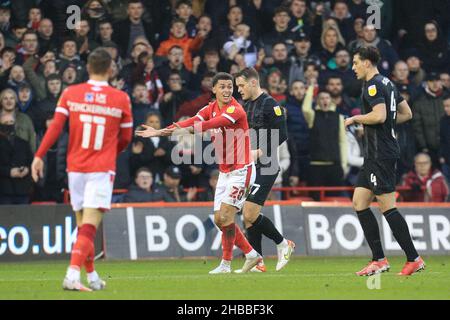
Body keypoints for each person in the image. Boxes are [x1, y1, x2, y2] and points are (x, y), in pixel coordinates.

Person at [136, 72, 261, 274]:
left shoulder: (235, 110)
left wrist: (190, 128)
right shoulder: (209, 108)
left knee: (227, 216)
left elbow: (212, 124)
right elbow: (190, 121)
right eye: (222, 87)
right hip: (225, 171)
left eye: (230, 87)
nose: (228, 90)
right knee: (220, 220)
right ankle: (251, 255)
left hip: (242, 170)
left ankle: (228, 263)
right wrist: (160, 132)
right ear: (213, 89)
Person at [31, 48, 133, 291]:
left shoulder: (71, 93)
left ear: (87, 68)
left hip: (75, 168)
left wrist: (39, 155)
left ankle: (92, 275)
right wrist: (110, 150)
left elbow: (55, 127)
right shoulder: (120, 98)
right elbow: (127, 138)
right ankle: (72, 275)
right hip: (100, 169)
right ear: (110, 69)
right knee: (89, 226)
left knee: (82, 226)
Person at [345, 46, 425, 276]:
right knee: (360, 202)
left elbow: (379, 115)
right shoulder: (388, 83)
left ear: (367, 63)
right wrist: (381, 125)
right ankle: (378, 259)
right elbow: (406, 113)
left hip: (381, 154)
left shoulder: (372, 86)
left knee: (387, 206)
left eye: (356, 62)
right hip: (375, 153)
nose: (353, 67)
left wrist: (355, 119)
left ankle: (414, 258)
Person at [234, 67, 295, 272]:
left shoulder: (270, 105)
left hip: (267, 166)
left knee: (250, 213)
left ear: (253, 82)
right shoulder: (246, 105)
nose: (239, 90)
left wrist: (260, 151)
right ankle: (257, 261)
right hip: (250, 166)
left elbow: (282, 135)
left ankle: (283, 243)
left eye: (241, 85)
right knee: (247, 217)